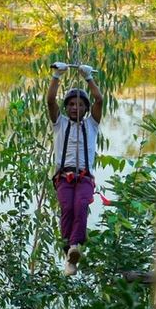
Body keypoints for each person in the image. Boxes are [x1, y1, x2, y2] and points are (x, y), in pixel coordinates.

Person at [47, 62, 103, 276]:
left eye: (80, 105)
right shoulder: (59, 123)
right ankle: (69, 253)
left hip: (85, 177)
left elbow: (100, 99)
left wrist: (88, 78)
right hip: (64, 177)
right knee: (67, 209)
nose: (75, 108)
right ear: (66, 107)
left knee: (80, 205)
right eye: (71, 104)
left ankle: (74, 247)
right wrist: (57, 75)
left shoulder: (91, 124)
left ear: (86, 109)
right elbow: (50, 100)